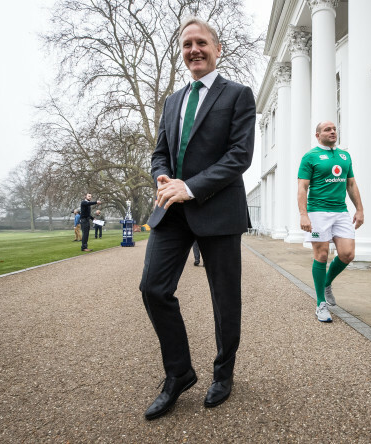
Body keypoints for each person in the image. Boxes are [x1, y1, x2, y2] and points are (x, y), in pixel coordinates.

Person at [139, 16, 255, 420]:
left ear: (217, 49)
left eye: (201, 42)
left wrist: (190, 186)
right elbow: (159, 153)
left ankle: (223, 373)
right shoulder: (172, 101)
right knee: (153, 288)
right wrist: (162, 176)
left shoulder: (238, 95)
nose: (194, 50)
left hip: (218, 211)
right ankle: (179, 374)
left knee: (225, 301)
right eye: (187, 44)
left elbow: (239, 156)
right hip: (172, 212)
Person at [297, 121, 364, 323]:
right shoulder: (310, 157)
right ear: (318, 135)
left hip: (341, 212)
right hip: (318, 212)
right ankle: (320, 304)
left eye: (334, 128)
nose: (333, 131)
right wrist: (303, 214)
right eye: (327, 129)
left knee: (347, 254)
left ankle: (326, 283)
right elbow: (302, 187)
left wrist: (359, 209)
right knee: (322, 254)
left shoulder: (345, 156)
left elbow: (351, 184)